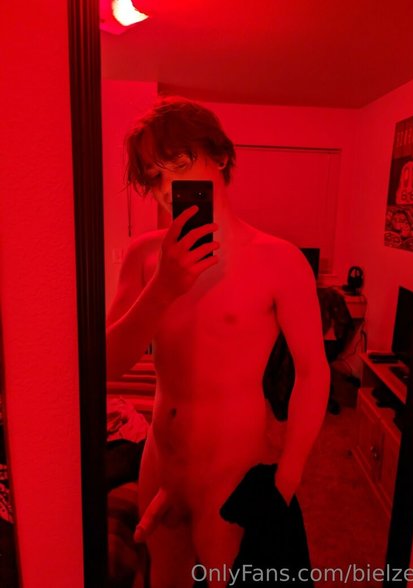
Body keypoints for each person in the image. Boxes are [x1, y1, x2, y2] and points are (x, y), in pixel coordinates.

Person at [105, 96, 330, 587]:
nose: (168, 189)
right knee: (165, 579)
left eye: (180, 165)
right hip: (161, 461)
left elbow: (314, 371)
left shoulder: (279, 260)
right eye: (154, 176)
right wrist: (163, 288)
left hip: (231, 469)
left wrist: (288, 475)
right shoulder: (144, 256)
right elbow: (106, 364)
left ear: (222, 157)